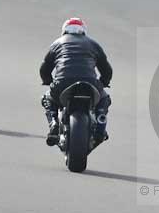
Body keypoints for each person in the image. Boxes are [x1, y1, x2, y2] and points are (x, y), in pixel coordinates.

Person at [39, 18, 112, 147]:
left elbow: (44, 68)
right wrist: (104, 82)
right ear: (83, 31)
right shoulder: (93, 44)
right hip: (90, 82)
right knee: (104, 98)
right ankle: (101, 121)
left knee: (48, 98)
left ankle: (54, 123)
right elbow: (106, 69)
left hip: (62, 83)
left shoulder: (57, 43)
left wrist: (48, 81)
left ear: (64, 31)